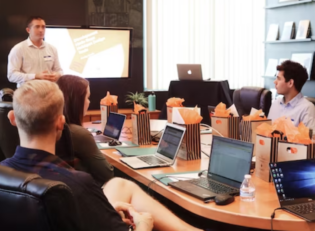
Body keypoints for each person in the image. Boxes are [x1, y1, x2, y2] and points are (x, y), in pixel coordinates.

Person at [1, 80, 201, 231]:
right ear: (61, 123)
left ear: (12, 119)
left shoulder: (4, 173)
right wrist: (143, 224)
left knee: (119, 185)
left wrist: (106, 209)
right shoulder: (76, 184)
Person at [56, 75, 113, 185]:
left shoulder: (52, 127)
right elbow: (107, 174)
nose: (89, 102)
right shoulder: (78, 134)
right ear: (77, 101)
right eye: (87, 97)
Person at [7, 16, 63, 88]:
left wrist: (57, 75)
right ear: (28, 30)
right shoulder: (18, 49)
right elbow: (11, 76)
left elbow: (59, 71)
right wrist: (35, 76)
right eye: (37, 27)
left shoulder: (52, 48)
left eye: (43, 27)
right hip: (27, 94)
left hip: (49, 93)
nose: (41, 30)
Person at [268, 60, 315, 131]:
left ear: (290, 83)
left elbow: (310, 140)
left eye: (279, 79)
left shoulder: (307, 109)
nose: (275, 82)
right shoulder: (275, 103)